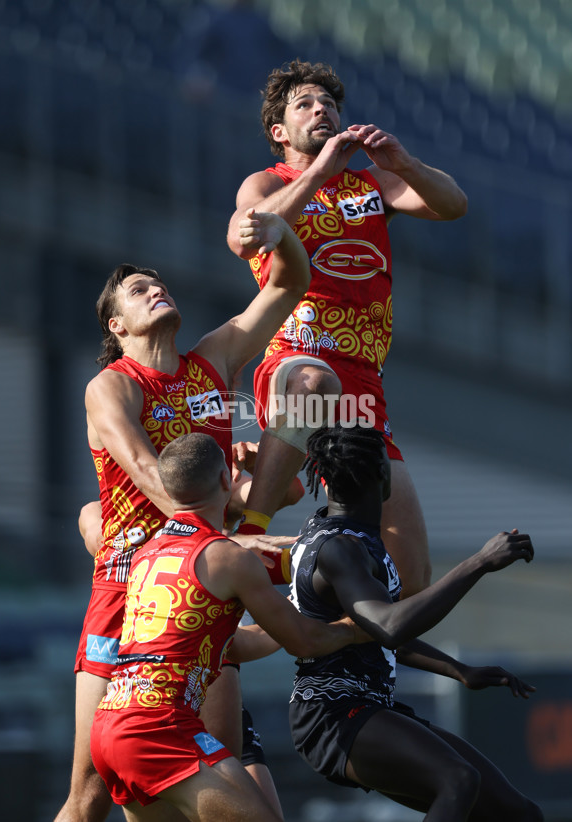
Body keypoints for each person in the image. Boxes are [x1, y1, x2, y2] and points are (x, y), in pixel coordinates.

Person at [55, 210, 310, 822]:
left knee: (202, 776)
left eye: (159, 283)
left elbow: (288, 286)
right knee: (88, 794)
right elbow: (150, 475)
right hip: (127, 582)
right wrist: (239, 534)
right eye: (140, 290)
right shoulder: (112, 385)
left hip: (194, 587)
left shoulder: (212, 360)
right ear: (116, 325)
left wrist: (281, 234)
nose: (157, 290)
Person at [226, 58, 468, 596]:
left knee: (410, 577)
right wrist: (319, 172)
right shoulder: (266, 182)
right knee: (312, 386)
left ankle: (313, 606)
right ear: (279, 132)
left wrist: (403, 163)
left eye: (329, 104)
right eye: (305, 105)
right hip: (298, 357)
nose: (322, 111)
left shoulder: (371, 182)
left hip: (364, 383)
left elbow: (454, 205)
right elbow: (246, 238)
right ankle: (251, 534)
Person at [90, 431, 369, 822]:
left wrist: (295, 608)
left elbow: (235, 643)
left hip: (111, 726)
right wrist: (359, 628)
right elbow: (305, 642)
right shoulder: (228, 558)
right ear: (225, 481)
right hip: (161, 728)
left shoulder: (148, 554)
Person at [287, 422, 543, 822]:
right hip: (333, 714)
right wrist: (479, 563)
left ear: (323, 478)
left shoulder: (346, 537)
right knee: (458, 780)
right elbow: (391, 626)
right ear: (380, 477)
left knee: (517, 813)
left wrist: (458, 670)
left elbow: (377, 635)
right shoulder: (340, 549)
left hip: (369, 708)